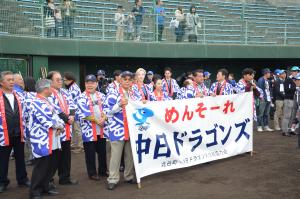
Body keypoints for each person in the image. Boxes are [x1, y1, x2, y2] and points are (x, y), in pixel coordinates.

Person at [104, 71, 142, 190]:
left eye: (129, 79)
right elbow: (107, 112)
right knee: (115, 156)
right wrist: (119, 104)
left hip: (131, 129)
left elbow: (140, 109)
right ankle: (113, 179)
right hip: (117, 129)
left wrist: (144, 104)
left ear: (132, 81)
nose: (127, 81)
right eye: (124, 79)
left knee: (130, 155)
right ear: (120, 80)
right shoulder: (112, 94)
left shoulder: (135, 94)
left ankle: (129, 176)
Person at [28, 79, 65, 199]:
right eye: (50, 87)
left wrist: (61, 125)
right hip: (42, 140)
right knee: (41, 166)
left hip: (53, 138)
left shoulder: (47, 100)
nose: (52, 89)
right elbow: (46, 120)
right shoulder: (36, 102)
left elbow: (57, 115)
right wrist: (59, 126)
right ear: (45, 89)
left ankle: (45, 187)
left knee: (50, 165)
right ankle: (35, 191)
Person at [0, 71, 30, 193]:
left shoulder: (20, 95)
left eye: (13, 79)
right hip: (3, 134)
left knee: (20, 157)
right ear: (1, 82)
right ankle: (2, 182)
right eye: (9, 80)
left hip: (18, 132)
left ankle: (22, 179)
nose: (12, 82)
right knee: (2, 159)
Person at [46, 71, 78, 185]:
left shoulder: (64, 91)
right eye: (57, 79)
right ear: (50, 81)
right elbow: (54, 109)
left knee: (66, 155)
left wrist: (72, 115)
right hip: (56, 130)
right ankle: (48, 180)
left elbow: (72, 104)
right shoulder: (49, 93)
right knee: (53, 157)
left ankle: (65, 178)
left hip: (67, 129)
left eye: (61, 79)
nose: (60, 81)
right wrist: (67, 119)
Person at [77, 75, 108, 181]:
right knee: (90, 153)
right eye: (87, 83)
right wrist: (98, 121)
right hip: (88, 130)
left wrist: (104, 118)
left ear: (96, 84)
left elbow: (107, 109)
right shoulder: (81, 97)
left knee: (102, 151)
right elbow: (84, 113)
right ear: (85, 84)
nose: (89, 85)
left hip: (102, 129)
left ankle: (103, 170)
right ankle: (92, 173)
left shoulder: (102, 96)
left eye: (92, 83)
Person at [63, 72, 82, 153]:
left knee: (77, 130)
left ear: (70, 80)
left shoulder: (74, 88)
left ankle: (80, 147)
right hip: (73, 112)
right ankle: (74, 144)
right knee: (74, 130)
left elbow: (70, 101)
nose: (64, 82)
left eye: (65, 80)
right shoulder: (71, 87)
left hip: (76, 112)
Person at [23, 76, 37, 166]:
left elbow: (24, 112)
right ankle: (35, 158)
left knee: (30, 143)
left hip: (28, 123)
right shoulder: (38, 94)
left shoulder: (25, 95)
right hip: (37, 123)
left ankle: (33, 158)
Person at [282, 66, 298, 136]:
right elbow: (287, 90)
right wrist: (296, 87)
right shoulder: (288, 80)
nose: (296, 72)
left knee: (293, 116)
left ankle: (290, 129)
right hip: (288, 99)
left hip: (294, 99)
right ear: (291, 72)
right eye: (294, 71)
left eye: (297, 71)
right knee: (287, 116)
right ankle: (285, 131)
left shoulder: (296, 80)